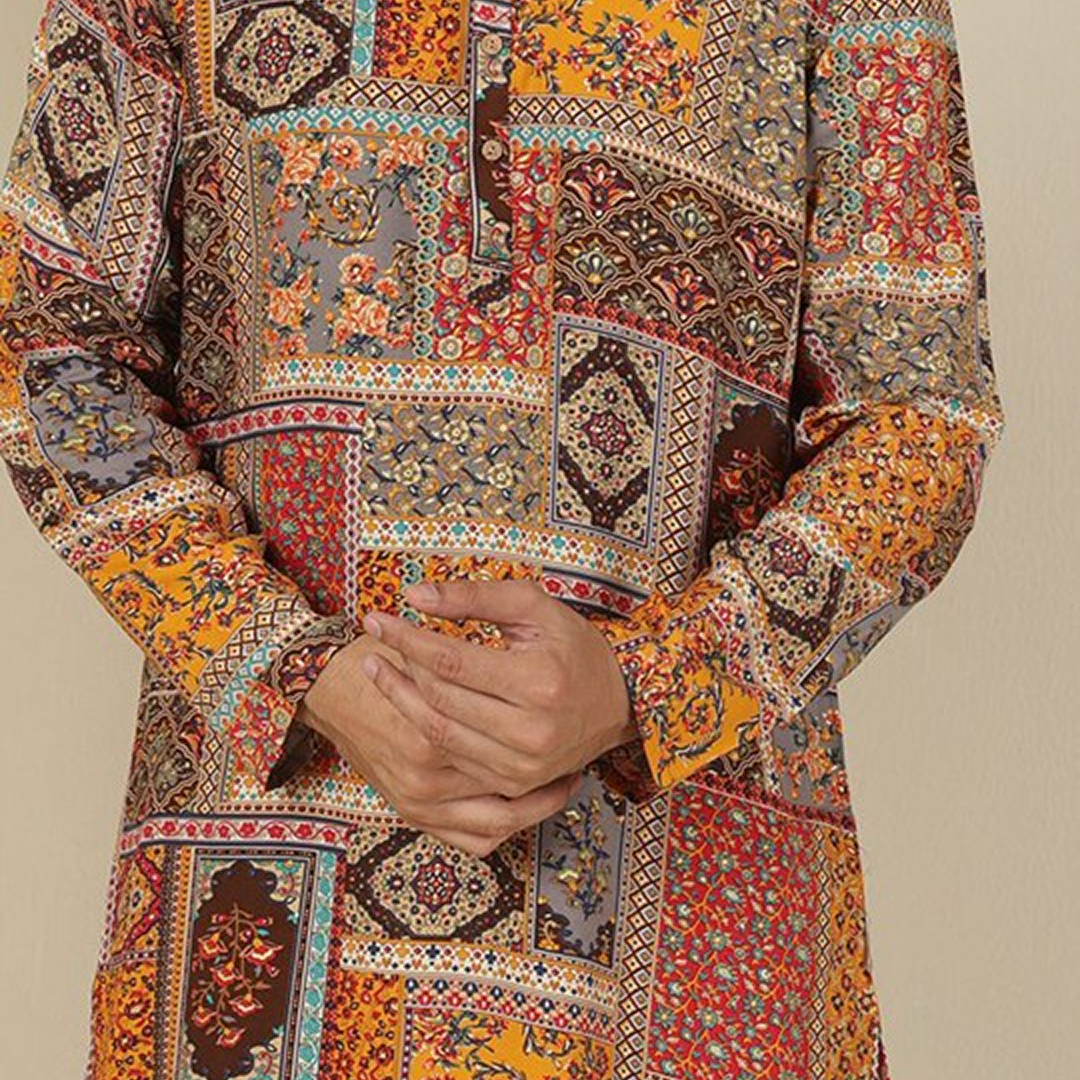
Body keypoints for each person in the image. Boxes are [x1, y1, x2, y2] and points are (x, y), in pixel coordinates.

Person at [0, 0, 1006, 1076]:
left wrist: (652, 685)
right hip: (265, 908)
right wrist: (288, 666)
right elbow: (50, 350)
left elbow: (922, 417)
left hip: (689, 922)